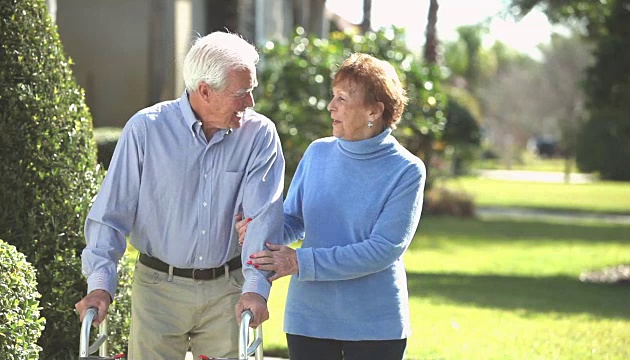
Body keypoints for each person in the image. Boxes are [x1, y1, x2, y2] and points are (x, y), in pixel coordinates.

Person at [74, 31, 285, 359]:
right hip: (158, 290)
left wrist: (256, 289)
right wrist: (100, 284)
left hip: (227, 290)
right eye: (242, 93)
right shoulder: (146, 129)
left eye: (252, 91)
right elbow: (110, 214)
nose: (251, 103)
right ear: (205, 90)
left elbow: (262, 220)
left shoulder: (259, 135)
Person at [236, 53, 427, 360]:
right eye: (332, 96)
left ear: (374, 111)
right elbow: (293, 219)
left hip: (374, 326)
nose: (330, 106)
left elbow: (383, 248)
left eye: (342, 98)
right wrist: (259, 227)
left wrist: (301, 263)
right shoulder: (318, 153)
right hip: (309, 320)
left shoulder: (406, 170)